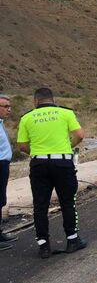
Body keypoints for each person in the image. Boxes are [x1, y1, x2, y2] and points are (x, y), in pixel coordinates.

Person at [16, 88, 87, 258]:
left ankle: (44, 246)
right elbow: (79, 135)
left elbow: (22, 145)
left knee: (40, 205)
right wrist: (69, 147)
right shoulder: (65, 113)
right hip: (62, 162)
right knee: (67, 201)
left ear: (35, 101)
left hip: (39, 163)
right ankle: (72, 240)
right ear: (52, 99)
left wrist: (36, 153)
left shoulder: (26, 117)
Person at [0, 95, 17, 251]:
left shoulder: (1, 123)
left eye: (9, 106)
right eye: (5, 107)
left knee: (1, 200)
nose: (9, 110)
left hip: (3, 165)